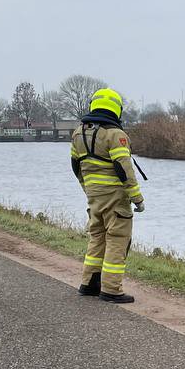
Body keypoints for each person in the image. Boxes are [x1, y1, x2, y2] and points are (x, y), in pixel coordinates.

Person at [69, 88, 144, 303]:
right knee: (117, 240)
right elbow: (124, 169)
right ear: (116, 109)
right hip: (116, 200)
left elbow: (76, 166)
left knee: (97, 238)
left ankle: (89, 284)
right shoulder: (115, 135)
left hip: (94, 197)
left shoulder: (78, 133)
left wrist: (88, 189)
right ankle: (111, 289)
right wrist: (137, 198)